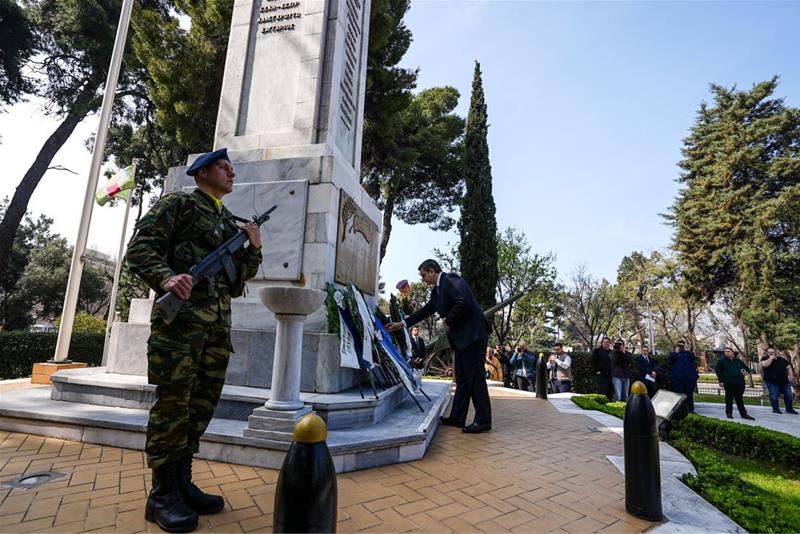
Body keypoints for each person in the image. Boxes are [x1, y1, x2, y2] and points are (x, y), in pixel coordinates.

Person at [127, 148, 263, 532]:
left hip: (215, 331)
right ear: (202, 173)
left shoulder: (225, 219)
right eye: (224, 167)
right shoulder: (180, 204)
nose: (232, 172)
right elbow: (139, 251)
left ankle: (183, 484)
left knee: (200, 408)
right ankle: (161, 495)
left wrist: (253, 248)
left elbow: (236, 284)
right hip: (180, 328)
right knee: (173, 407)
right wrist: (166, 277)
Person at [386, 260, 492, 433]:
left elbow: (462, 301)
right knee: (463, 379)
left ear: (432, 271)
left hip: (473, 336)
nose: (422, 279)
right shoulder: (436, 292)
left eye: (423, 274)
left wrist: (449, 320)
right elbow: (425, 311)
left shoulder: (451, 280)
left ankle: (483, 421)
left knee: (475, 378)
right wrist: (402, 324)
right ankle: (458, 417)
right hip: (461, 339)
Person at [715, 348, 755, 420]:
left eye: (728, 351)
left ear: (732, 352)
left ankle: (743, 414)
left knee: (739, 399)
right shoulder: (721, 361)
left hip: (740, 383)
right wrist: (721, 381)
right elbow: (718, 371)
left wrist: (745, 372)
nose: (727, 353)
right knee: (729, 398)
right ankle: (729, 413)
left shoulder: (738, 361)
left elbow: (746, 369)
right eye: (725, 352)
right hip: (728, 382)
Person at [761, 348, 798, 414]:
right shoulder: (764, 359)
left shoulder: (782, 359)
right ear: (767, 353)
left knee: (789, 395)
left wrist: (791, 376)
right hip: (771, 381)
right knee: (774, 395)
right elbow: (765, 365)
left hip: (784, 381)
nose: (771, 353)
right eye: (769, 352)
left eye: (772, 352)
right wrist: (771, 358)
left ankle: (789, 409)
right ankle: (776, 409)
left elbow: (788, 368)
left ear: (775, 352)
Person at [668, 340, 699, 412]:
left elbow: (693, 358)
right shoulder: (674, 354)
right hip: (678, 378)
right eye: (679, 346)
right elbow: (670, 360)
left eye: (682, 346)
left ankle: (690, 410)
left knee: (689, 394)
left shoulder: (688, 354)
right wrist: (676, 351)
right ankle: (680, 410)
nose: (681, 347)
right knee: (679, 394)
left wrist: (687, 349)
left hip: (688, 377)